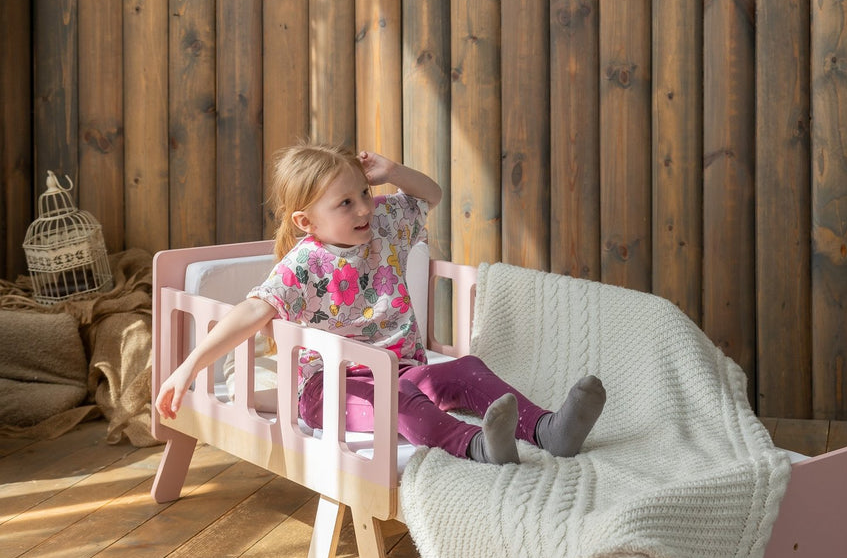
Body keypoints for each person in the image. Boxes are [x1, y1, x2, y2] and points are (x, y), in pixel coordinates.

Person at [155, 142, 605, 465]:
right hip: (329, 388)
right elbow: (251, 312)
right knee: (400, 399)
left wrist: (393, 171)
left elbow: (431, 195)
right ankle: (478, 445)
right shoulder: (303, 265)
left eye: (364, 195)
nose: (363, 209)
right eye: (345, 203)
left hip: (403, 367)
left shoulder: (384, 224)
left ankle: (550, 430)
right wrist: (190, 366)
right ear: (306, 221)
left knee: (468, 368)